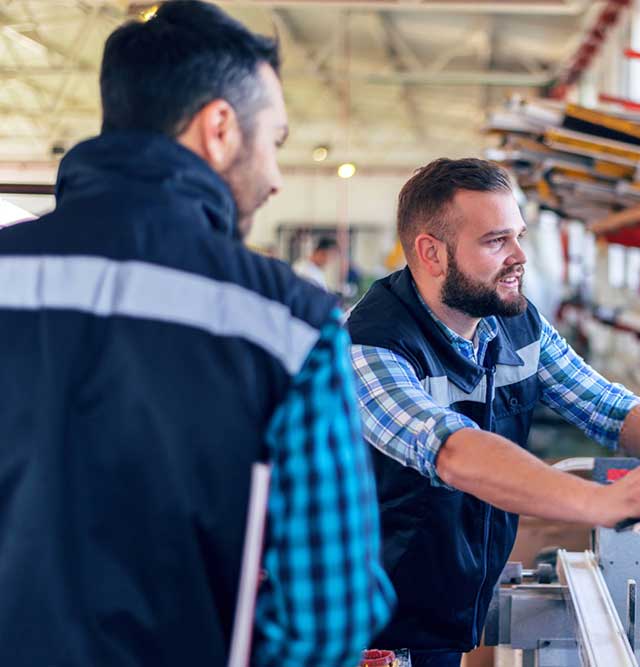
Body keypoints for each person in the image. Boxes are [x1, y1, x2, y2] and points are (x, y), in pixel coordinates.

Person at [0, 3, 393, 666]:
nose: (273, 178)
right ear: (219, 128)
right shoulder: (288, 322)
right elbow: (332, 612)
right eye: (275, 142)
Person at [347, 158, 640, 666]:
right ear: (431, 252)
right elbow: (450, 450)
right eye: (495, 241)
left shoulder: (511, 326)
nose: (519, 257)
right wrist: (598, 503)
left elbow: (604, 404)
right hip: (364, 626)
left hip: (443, 611)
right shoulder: (369, 345)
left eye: (518, 236)